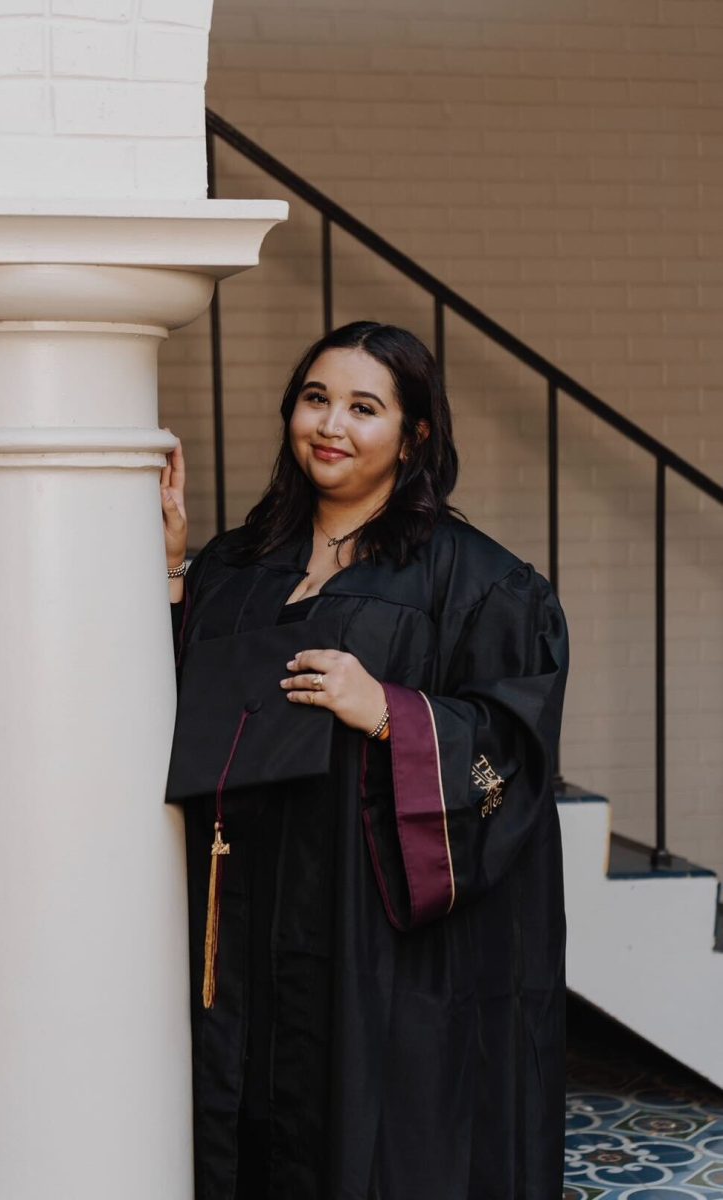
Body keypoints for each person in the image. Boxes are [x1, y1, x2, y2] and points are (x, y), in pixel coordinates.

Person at [161, 320, 569, 1200]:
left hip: (370, 940)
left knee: (369, 1136)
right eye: (315, 399)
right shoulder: (236, 564)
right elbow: (169, 710)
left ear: (414, 435)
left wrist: (391, 711)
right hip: (242, 918)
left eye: (363, 407)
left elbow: (517, 752)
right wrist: (164, 577)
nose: (331, 425)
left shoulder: (477, 584)